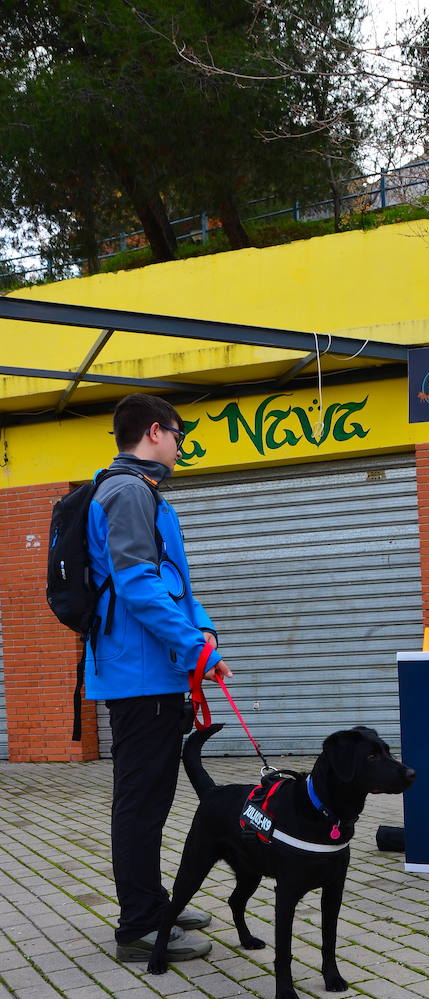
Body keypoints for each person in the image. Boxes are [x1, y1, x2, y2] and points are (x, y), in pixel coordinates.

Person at [85, 394, 233, 962]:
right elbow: (138, 587)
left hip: (157, 671)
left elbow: (174, 584)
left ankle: (153, 901)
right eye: (178, 432)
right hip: (138, 678)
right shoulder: (126, 493)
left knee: (153, 798)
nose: (181, 442)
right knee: (141, 802)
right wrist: (195, 648)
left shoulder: (144, 493)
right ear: (154, 432)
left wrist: (205, 635)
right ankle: (140, 924)